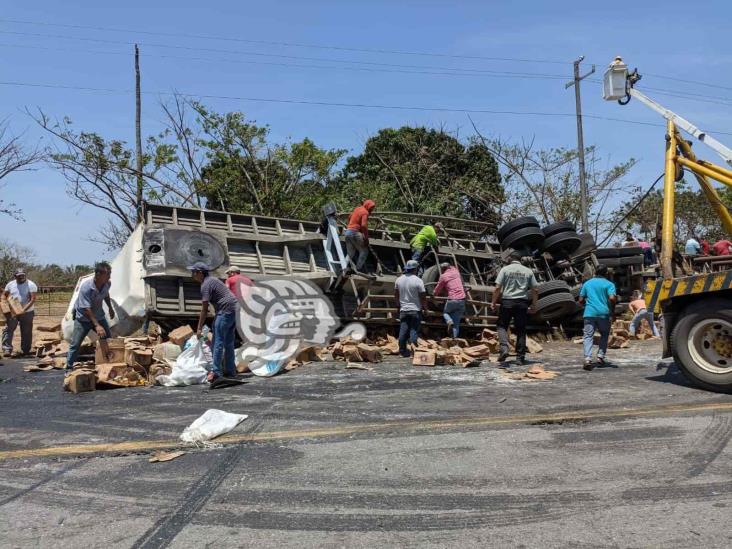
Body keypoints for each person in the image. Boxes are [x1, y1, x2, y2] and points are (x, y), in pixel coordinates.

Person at [190, 262, 239, 382]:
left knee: (218, 341)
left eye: (194, 272)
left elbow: (204, 309)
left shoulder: (205, 285)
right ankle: (231, 371)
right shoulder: (212, 280)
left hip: (225, 310)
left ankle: (216, 372)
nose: (192, 275)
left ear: (200, 273)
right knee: (228, 342)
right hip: (234, 309)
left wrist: (199, 328)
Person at [65, 262, 115, 373]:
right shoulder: (86, 287)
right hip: (83, 318)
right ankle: (68, 367)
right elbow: (86, 308)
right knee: (76, 344)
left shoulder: (107, 283)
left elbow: (106, 294)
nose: (109, 277)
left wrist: (110, 308)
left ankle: (107, 363)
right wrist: (97, 325)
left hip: (99, 315)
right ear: (98, 275)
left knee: (107, 339)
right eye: (107, 274)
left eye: (110, 274)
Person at [490, 251, 538, 364]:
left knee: (502, 326)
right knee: (521, 329)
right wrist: (534, 304)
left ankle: (504, 348)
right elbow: (535, 289)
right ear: (520, 260)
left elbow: (497, 288)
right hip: (522, 303)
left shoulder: (505, 270)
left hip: (507, 302)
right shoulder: (528, 271)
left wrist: (493, 302)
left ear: (510, 259)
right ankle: (520, 358)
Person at [578, 264, 617, 370]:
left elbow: (580, 300)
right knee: (604, 335)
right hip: (603, 314)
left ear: (595, 272)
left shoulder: (587, 283)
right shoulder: (609, 284)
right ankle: (600, 357)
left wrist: (587, 305)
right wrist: (612, 312)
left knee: (588, 336)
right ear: (606, 273)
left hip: (589, 313)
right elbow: (612, 298)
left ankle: (587, 359)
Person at [394, 260, 427, 357]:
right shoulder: (418, 280)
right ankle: (413, 352)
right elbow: (423, 296)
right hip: (415, 310)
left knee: (403, 330)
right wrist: (425, 308)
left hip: (403, 310)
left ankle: (402, 351)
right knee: (413, 331)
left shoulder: (398, 280)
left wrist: (398, 305)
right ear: (415, 269)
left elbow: (396, 294)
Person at [2, 268, 38, 357]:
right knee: (8, 329)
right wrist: (4, 304)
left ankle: (25, 350)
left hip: (27, 312)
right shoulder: (10, 284)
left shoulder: (31, 285)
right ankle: (7, 349)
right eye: (19, 276)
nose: (21, 277)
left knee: (26, 331)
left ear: (25, 275)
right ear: (15, 276)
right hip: (13, 311)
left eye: (23, 275)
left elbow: (32, 299)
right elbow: (4, 295)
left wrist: (22, 310)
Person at [433, 262, 466, 338]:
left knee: (445, 313)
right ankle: (454, 340)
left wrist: (434, 294)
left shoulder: (443, 276)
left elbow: (438, 289)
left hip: (452, 299)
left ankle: (449, 321)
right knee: (456, 323)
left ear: (442, 269)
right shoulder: (456, 272)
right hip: (462, 300)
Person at [344, 199, 376, 273]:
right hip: (355, 233)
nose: (371, 210)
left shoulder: (357, 208)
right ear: (368, 206)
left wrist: (350, 225)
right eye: (371, 208)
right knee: (364, 251)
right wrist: (366, 237)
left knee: (350, 253)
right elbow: (363, 225)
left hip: (348, 232)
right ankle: (358, 269)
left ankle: (344, 266)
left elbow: (349, 217)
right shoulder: (365, 212)